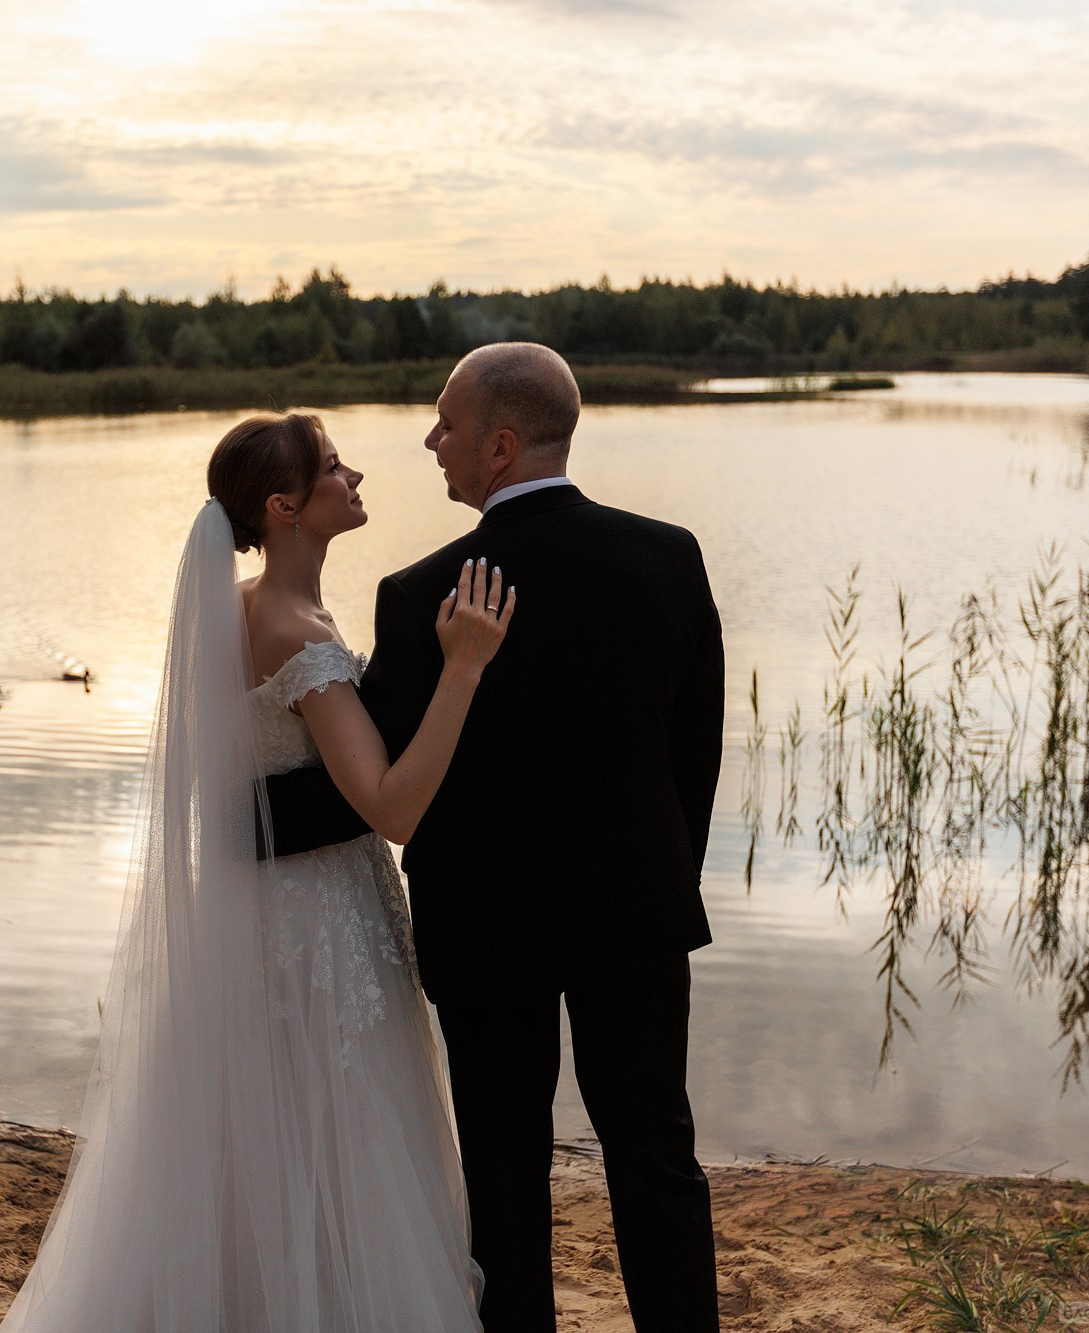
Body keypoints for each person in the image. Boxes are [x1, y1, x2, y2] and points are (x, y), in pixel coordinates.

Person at [0, 411, 513, 1332]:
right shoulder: (292, 627)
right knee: (339, 1135)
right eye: (329, 468)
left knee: (255, 1139)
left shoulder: (236, 605)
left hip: (251, 910)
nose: (354, 476)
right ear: (282, 505)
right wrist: (464, 670)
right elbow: (391, 806)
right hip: (318, 922)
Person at [262, 342, 726, 1332]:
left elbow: (370, 787)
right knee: (654, 1158)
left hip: (484, 931)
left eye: (446, 425)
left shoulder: (420, 590)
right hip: (634, 920)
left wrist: (241, 821)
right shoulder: (665, 554)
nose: (431, 442)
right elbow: (695, 746)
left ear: (501, 444)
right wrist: (656, 885)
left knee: (503, 1177)